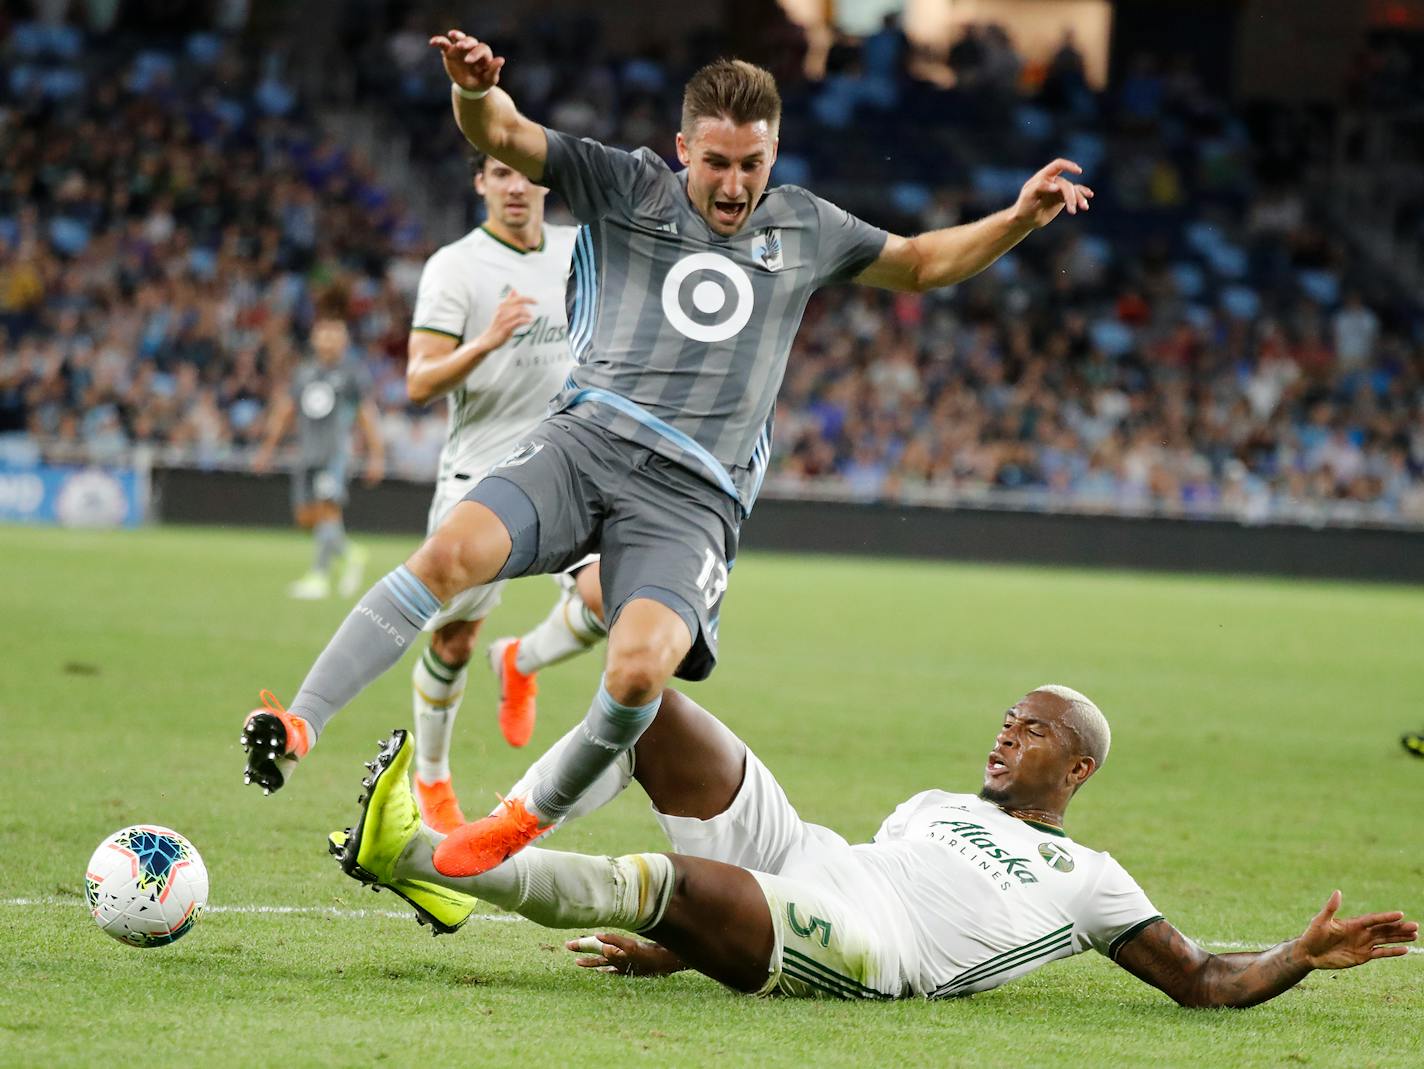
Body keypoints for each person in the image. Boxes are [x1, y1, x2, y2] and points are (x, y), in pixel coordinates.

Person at [240, 28, 1096, 876]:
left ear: (774, 153)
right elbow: (502, 134)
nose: (733, 185)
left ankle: (518, 820)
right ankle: (303, 719)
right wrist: (472, 89)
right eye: (716, 162)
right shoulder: (625, 184)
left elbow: (916, 263)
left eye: (751, 164)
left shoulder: (804, 226)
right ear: (684, 146)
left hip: (693, 496)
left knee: (642, 669)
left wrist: (1019, 218)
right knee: (449, 552)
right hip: (585, 441)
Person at [328, 685, 1417, 1004]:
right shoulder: (933, 798)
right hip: (817, 861)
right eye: (1004, 717)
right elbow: (779, 899)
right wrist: (689, 945)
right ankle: (476, 837)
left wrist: (1295, 955)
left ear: (1076, 769)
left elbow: (1199, 980)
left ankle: (421, 859)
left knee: (654, 882)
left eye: (1031, 729)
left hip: (869, 946)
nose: (1005, 733)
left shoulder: (1088, 878)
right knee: (649, 707)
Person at [404, 150, 606, 831]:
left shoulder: (584, 250)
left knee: (610, 596)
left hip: (573, 464)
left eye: (527, 173)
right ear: (480, 183)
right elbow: (420, 381)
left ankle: (522, 660)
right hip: (484, 475)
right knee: (454, 640)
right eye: (500, 174)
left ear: (548, 181)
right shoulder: (457, 268)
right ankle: (432, 777)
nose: (517, 187)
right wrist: (487, 340)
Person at [252, 288, 384, 601]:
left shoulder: (351, 373)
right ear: (314, 338)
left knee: (327, 513)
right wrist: (267, 448)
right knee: (305, 520)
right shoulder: (305, 372)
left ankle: (319, 577)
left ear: (344, 341)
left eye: (333, 335)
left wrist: (376, 454)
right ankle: (350, 552)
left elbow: (366, 414)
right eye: (322, 334)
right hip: (306, 453)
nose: (327, 340)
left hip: (334, 453)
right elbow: (286, 410)